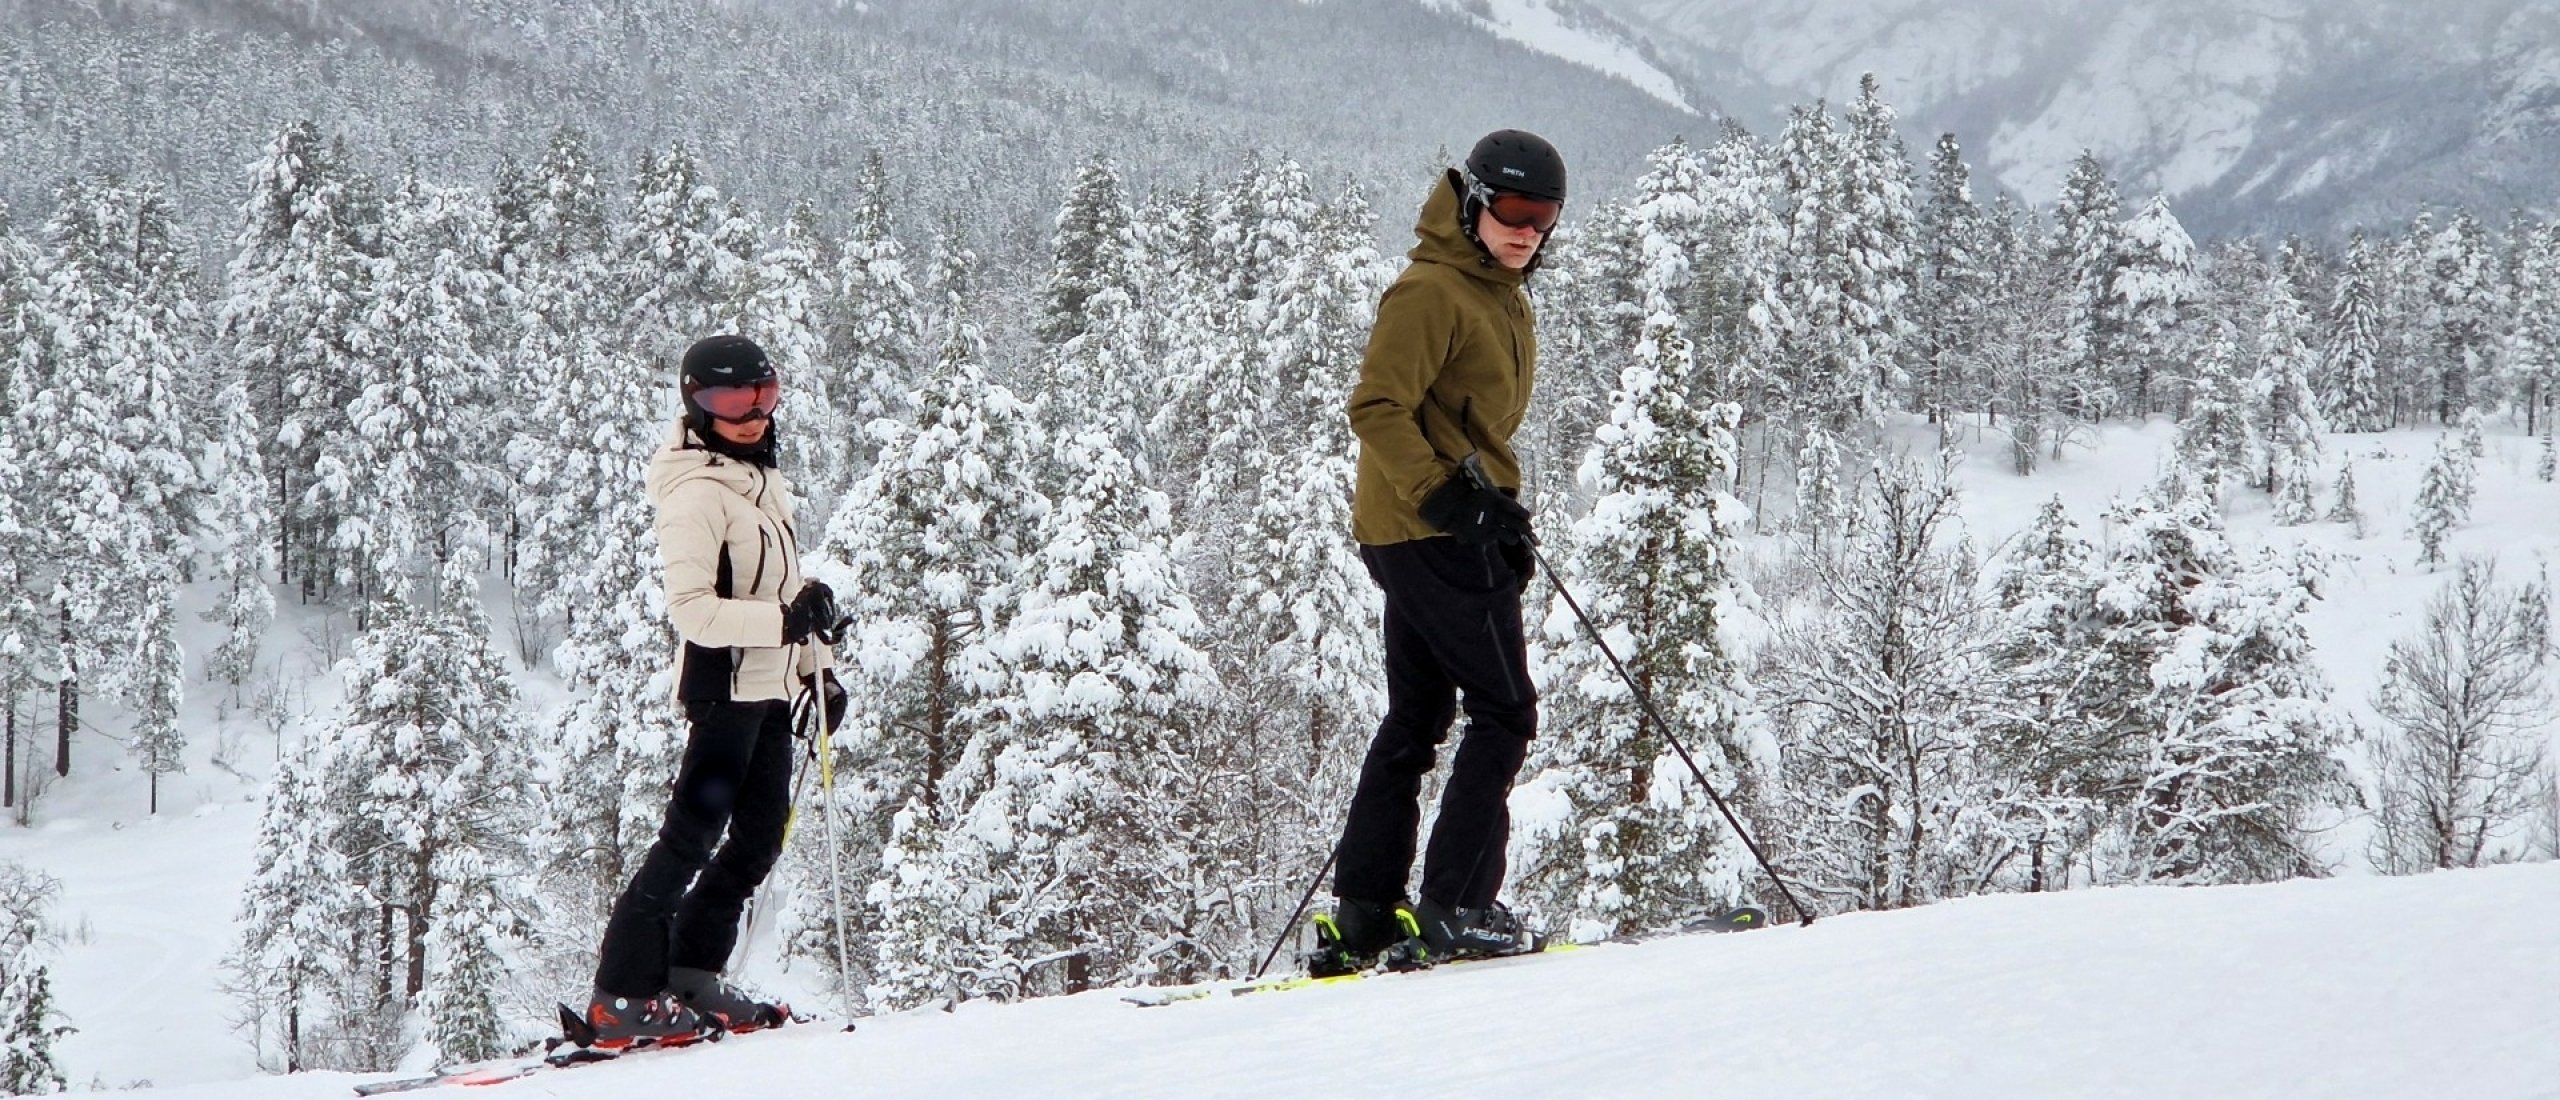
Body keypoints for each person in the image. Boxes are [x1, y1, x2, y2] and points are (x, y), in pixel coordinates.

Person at [1309, 130, 1566, 977]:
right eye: (1512, 211)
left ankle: (1366, 913)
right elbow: (1376, 406)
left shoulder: (1497, 291)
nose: (1526, 229)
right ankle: (1456, 905)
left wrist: (1499, 513)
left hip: (1430, 524)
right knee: (1505, 711)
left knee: (1417, 717)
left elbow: (1468, 426)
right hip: (1425, 526)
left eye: (1543, 215)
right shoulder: (1432, 292)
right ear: (1474, 204)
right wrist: (1450, 501)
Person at [579, 333, 847, 1049]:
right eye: (732, 400)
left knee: (758, 842)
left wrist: (816, 670)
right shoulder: (695, 494)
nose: (752, 414)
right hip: (723, 689)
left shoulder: (761, 485)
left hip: (766, 689)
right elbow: (693, 611)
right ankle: (623, 994)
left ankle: (692, 973)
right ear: (695, 403)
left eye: (764, 395)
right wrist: (784, 623)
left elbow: (785, 595)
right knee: (689, 843)